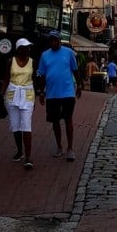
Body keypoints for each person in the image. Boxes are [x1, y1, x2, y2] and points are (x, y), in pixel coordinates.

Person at [36, 30, 82, 161]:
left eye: (55, 40)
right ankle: (59, 146)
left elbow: (75, 70)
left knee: (68, 119)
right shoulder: (45, 55)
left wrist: (79, 86)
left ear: (60, 40)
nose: (53, 42)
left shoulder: (68, 53)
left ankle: (70, 148)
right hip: (52, 93)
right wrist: (41, 92)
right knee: (55, 121)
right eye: (51, 40)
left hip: (67, 92)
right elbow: (42, 75)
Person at [0, 38, 35, 170]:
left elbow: (35, 80)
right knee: (15, 126)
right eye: (25, 47)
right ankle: (20, 150)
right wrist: (1, 96)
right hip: (12, 94)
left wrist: (40, 93)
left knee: (26, 125)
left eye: (28, 47)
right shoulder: (11, 61)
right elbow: (6, 79)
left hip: (27, 95)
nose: (28, 49)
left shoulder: (32, 62)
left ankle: (28, 157)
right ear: (19, 49)